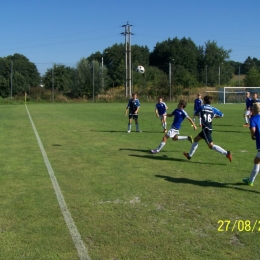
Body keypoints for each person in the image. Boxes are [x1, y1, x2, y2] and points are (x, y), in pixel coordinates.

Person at [183, 95, 232, 162]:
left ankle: (227, 153)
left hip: (206, 129)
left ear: (204, 101)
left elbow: (195, 113)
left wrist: (199, 115)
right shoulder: (213, 108)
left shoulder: (201, 107)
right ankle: (189, 155)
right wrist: (213, 116)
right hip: (209, 128)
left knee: (211, 145)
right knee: (196, 139)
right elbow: (222, 115)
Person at [242, 102, 260, 186]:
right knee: (257, 160)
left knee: (257, 161)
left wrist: (252, 136)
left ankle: (250, 181)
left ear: (252, 110)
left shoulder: (253, 119)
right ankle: (250, 181)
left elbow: (253, 130)